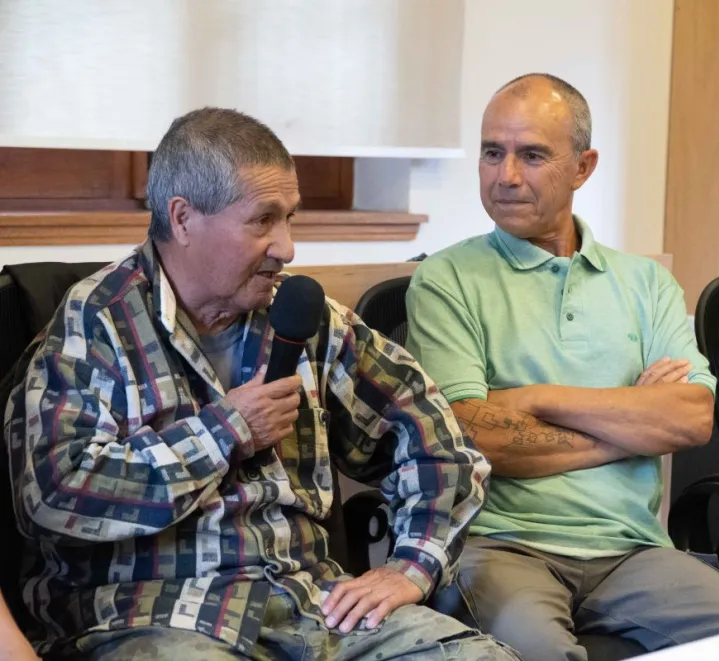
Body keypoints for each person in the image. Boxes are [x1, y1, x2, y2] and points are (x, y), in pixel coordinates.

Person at [2, 107, 518, 661]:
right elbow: (54, 493)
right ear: (182, 218)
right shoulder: (95, 323)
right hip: (158, 619)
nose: (287, 247)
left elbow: (436, 442)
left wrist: (411, 568)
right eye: (263, 220)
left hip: (312, 606)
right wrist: (224, 432)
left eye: (290, 218)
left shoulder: (303, 316)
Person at [405, 73, 719, 661]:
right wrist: (631, 430)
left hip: (632, 549)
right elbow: (473, 434)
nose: (506, 176)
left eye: (531, 155)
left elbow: (690, 418)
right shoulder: (446, 280)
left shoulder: (645, 282)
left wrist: (535, 397)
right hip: (502, 545)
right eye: (492, 153)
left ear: (582, 167)